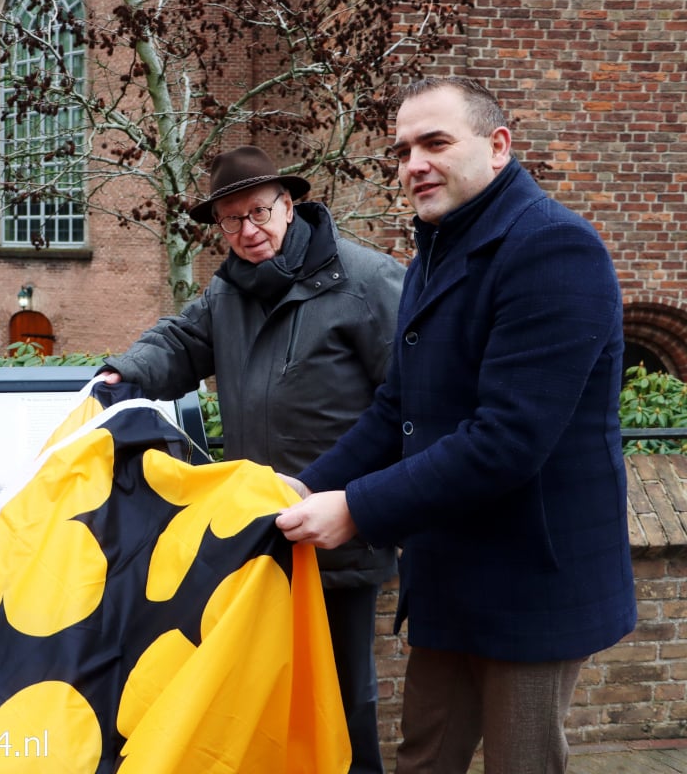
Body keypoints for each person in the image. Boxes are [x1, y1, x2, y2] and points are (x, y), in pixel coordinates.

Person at [276, 77, 637, 774]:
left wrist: (354, 508)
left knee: (521, 764)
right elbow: (396, 411)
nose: (414, 163)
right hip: (450, 576)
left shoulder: (555, 250)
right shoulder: (435, 252)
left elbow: (507, 440)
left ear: (498, 147)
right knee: (422, 759)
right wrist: (301, 486)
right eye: (404, 148)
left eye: (436, 142)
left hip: (533, 584)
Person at [101, 144, 405, 773]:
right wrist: (123, 374)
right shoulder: (229, 290)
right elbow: (180, 342)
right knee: (265, 689)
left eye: (259, 213)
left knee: (345, 694)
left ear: (289, 206)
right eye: (231, 221)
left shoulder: (367, 279)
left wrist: (376, 503)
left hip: (337, 526)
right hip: (258, 532)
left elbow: (411, 398)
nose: (247, 231)